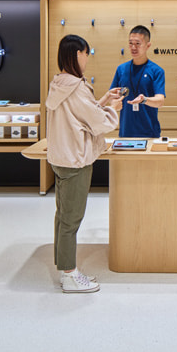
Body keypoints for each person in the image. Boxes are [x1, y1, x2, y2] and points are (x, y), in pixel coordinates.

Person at [45, 34, 123, 293]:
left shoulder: (59, 84)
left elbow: (80, 113)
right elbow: (98, 122)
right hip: (76, 160)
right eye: (86, 53)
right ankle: (69, 274)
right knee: (72, 219)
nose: (87, 59)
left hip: (60, 158)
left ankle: (63, 265)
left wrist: (100, 101)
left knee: (62, 216)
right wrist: (114, 108)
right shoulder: (77, 87)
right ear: (77, 54)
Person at [110, 25, 165, 137]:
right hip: (126, 132)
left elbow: (160, 101)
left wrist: (144, 100)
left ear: (147, 45)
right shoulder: (121, 69)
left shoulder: (156, 71)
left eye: (138, 44)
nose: (133, 47)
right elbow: (112, 96)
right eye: (130, 43)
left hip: (150, 133)